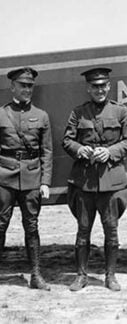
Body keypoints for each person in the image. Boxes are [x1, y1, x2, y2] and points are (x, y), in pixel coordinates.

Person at [62, 67, 127, 292]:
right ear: (88, 88)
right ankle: (81, 276)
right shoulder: (78, 113)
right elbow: (66, 141)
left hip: (111, 181)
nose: (99, 90)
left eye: (103, 85)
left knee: (111, 231)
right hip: (84, 182)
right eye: (95, 86)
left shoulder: (120, 112)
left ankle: (111, 276)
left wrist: (111, 152)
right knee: (83, 231)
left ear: (109, 86)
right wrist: (79, 149)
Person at [0, 67, 53, 291]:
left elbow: (47, 151)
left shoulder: (41, 116)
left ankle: (36, 275)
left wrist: (45, 182)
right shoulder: (1, 114)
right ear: (12, 86)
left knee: (31, 227)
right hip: (4, 177)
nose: (27, 90)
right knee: (0, 224)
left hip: (32, 178)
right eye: (22, 85)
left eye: (30, 86)